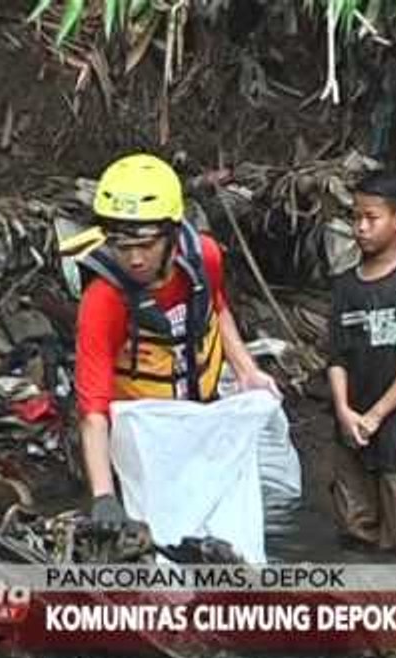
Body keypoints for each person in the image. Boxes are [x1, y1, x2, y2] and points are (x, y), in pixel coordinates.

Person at [61, 153, 278, 535]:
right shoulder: (104, 302)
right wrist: (103, 497)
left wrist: (247, 370)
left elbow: (217, 308)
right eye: (121, 245)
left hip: (197, 417)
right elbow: (92, 408)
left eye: (146, 244)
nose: (134, 258)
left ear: (173, 235)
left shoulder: (204, 259)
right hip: (134, 444)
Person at [327, 169, 396, 555]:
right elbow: (337, 356)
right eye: (355, 217)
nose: (360, 228)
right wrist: (344, 410)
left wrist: (376, 415)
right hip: (351, 428)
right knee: (355, 532)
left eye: (370, 218)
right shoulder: (344, 285)